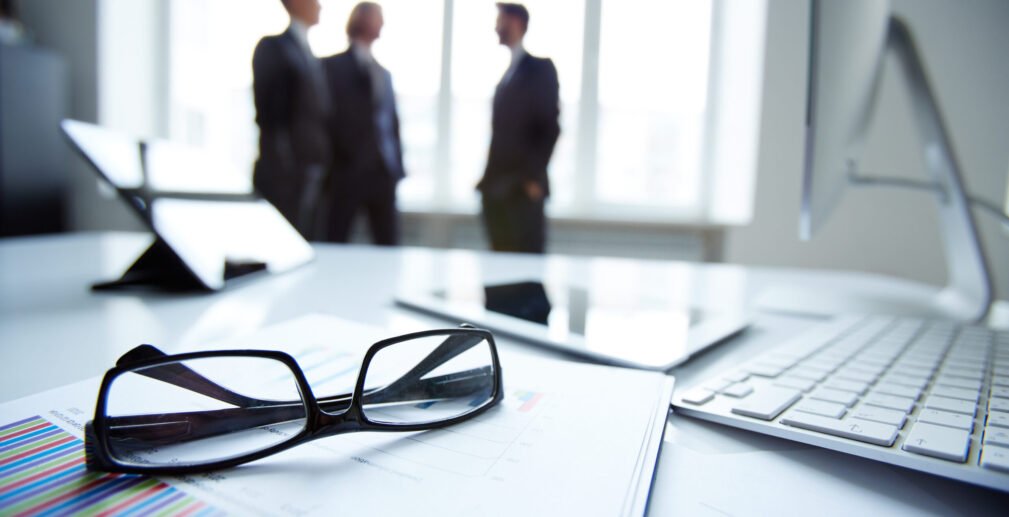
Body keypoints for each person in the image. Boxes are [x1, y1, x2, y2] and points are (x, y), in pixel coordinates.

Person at [477, 3, 560, 254]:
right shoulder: (508, 74)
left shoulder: (540, 69)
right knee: (498, 262)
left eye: (500, 21)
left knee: (525, 263)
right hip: (496, 190)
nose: (496, 27)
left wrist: (532, 178)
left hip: (521, 191)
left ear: (516, 23)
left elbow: (549, 127)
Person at [321, 2, 405, 245]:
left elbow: (392, 123)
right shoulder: (331, 66)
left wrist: (397, 166)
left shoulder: (384, 74)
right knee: (336, 238)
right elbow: (327, 117)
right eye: (378, 17)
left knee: (388, 242)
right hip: (347, 170)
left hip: (383, 171)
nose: (382, 23)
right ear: (361, 19)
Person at [251, 0, 330, 239]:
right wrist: (285, 165)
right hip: (285, 173)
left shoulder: (309, 53)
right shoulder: (273, 47)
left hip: (311, 171)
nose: (320, 6)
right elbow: (269, 115)